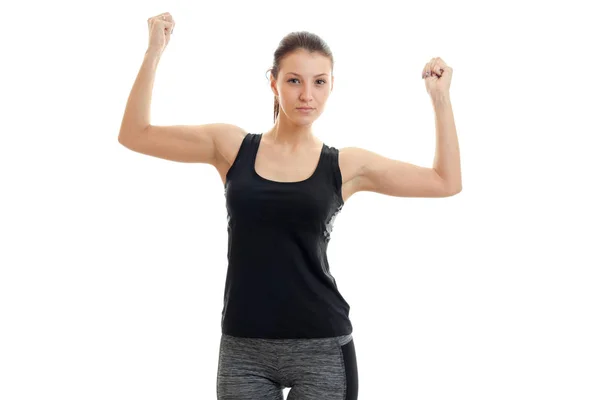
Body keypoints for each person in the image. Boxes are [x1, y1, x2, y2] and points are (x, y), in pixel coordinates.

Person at [118, 12, 462, 400]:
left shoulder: (345, 165)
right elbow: (134, 134)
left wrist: (440, 100)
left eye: (319, 82)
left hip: (322, 346)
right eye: (294, 80)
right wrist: (153, 52)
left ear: (332, 87)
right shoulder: (231, 147)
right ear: (273, 83)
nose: (306, 95)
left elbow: (445, 182)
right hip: (243, 348)